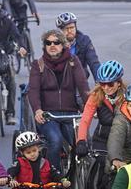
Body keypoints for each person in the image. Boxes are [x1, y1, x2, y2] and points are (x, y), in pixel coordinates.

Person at [28, 28, 89, 175]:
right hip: (48, 115)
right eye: (48, 43)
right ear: (44, 46)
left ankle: (77, 177)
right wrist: (37, 110)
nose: (52, 46)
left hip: (70, 114)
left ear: (63, 45)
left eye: (56, 42)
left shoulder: (73, 62)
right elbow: (33, 90)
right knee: (55, 141)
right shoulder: (38, 65)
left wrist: (90, 108)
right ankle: (54, 180)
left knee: (80, 144)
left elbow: (83, 87)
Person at [76, 60, 125, 189]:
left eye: (110, 84)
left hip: (123, 138)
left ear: (119, 83)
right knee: (105, 164)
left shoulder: (128, 96)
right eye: (102, 84)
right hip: (102, 139)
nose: (106, 88)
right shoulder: (96, 96)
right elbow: (85, 120)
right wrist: (81, 141)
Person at [56, 11, 99, 79]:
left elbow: (93, 62)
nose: (70, 31)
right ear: (60, 31)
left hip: (79, 77)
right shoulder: (53, 42)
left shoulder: (84, 40)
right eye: (66, 29)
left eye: (72, 27)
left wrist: (100, 81)